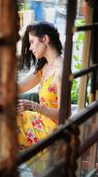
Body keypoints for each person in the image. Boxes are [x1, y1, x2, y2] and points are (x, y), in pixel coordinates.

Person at [17, 21, 63, 151]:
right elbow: (20, 87)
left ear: (45, 39)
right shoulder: (45, 66)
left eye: (31, 42)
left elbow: (64, 113)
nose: (30, 48)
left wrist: (33, 105)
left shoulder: (61, 71)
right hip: (41, 122)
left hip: (52, 131)